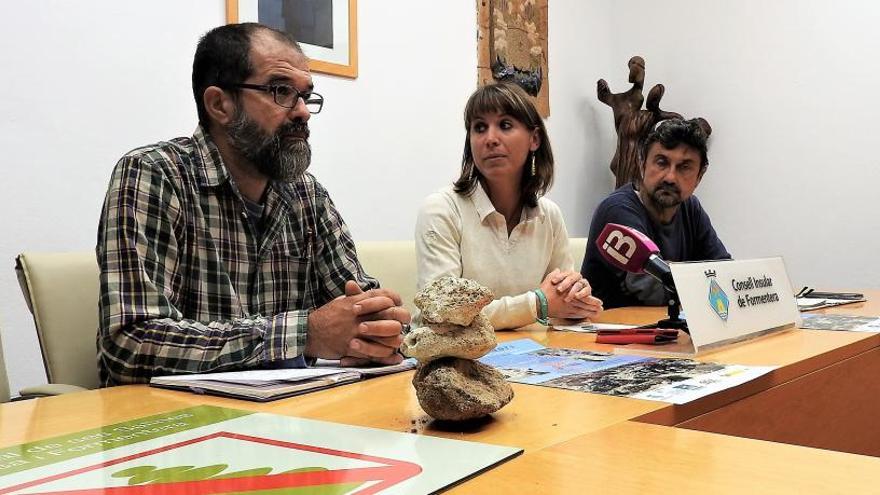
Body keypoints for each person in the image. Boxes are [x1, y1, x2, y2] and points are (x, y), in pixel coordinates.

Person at [96, 23, 409, 386]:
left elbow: (357, 306)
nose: (303, 112)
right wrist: (304, 333)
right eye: (280, 91)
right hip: (177, 424)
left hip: (293, 418)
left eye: (306, 95)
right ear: (220, 104)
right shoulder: (154, 175)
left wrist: (380, 330)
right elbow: (130, 342)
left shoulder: (308, 195)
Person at [415, 83, 603, 330]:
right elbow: (444, 314)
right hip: (451, 362)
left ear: (534, 139)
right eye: (479, 128)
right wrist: (538, 304)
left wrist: (576, 300)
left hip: (532, 358)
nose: (490, 139)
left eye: (505, 125)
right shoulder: (441, 209)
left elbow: (558, 306)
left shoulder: (549, 215)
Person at [581, 117, 730, 308]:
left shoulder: (691, 208)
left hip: (666, 330)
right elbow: (652, 288)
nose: (670, 177)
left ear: (699, 176)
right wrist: (703, 277)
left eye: (684, 167)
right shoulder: (617, 209)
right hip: (613, 332)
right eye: (661, 163)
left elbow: (724, 271)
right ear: (642, 165)